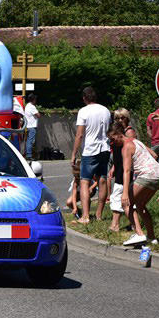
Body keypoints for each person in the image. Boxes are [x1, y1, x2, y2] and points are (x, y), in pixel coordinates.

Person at [107, 122, 159, 246]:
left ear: (119, 134)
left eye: (112, 139)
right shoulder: (135, 141)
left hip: (147, 176)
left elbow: (127, 171)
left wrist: (124, 194)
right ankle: (152, 237)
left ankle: (139, 234)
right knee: (140, 204)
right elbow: (154, 155)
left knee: (126, 203)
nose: (112, 142)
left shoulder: (126, 147)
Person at [70, 87, 111, 224]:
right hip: (105, 148)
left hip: (90, 150)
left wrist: (74, 154)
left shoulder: (83, 111)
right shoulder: (105, 110)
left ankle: (86, 216)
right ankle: (99, 214)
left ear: (84, 99)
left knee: (84, 181)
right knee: (102, 180)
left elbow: (80, 134)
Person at [107, 108, 137, 232]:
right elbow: (118, 153)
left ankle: (116, 225)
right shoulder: (116, 132)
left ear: (127, 118)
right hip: (119, 167)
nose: (120, 120)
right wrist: (114, 166)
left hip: (126, 169)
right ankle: (132, 225)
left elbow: (133, 152)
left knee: (118, 195)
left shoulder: (129, 132)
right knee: (120, 196)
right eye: (117, 118)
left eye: (122, 118)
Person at [24, 93, 40, 160]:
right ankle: (29, 155)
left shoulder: (27, 106)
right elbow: (38, 115)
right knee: (30, 141)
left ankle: (28, 154)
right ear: (33, 99)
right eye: (35, 99)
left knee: (28, 140)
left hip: (28, 126)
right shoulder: (32, 107)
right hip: (32, 126)